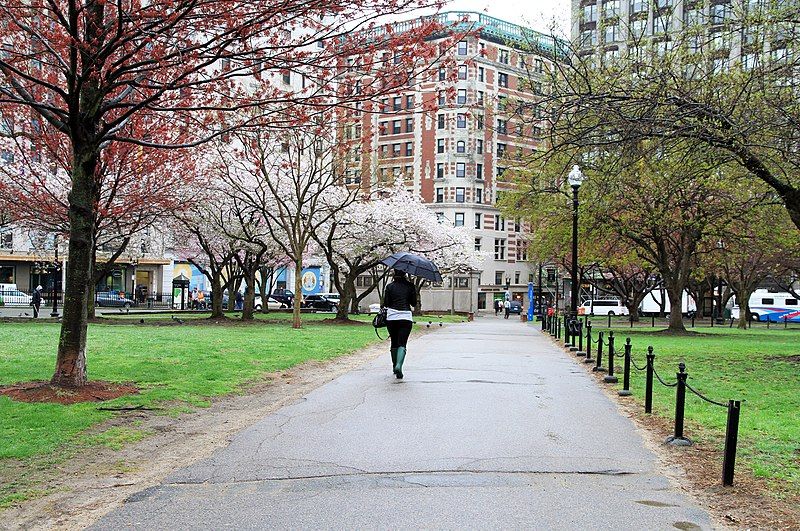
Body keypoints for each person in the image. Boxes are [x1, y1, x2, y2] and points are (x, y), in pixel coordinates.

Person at [383, 270, 416, 379]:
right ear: (405, 274)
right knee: (402, 343)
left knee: (394, 342)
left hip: (392, 317)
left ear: (394, 274)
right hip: (405, 317)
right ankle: (399, 365)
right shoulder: (410, 286)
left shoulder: (389, 286)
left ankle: (394, 366)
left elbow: (386, 303)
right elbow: (414, 303)